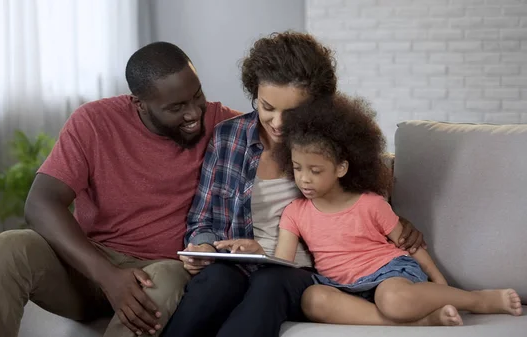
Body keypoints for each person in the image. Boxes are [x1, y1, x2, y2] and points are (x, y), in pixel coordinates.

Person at [0, 42, 241, 337]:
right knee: (5, 249)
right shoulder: (94, 122)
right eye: (176, 107)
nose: (193, 113)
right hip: (89, 266)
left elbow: (283, 127)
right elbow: (41, 202)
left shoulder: (224, 125)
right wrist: (108, 276)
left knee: (164, 279)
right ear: (139, 103)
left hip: (162, 268)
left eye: (197, 96)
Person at [161, 31, 426, 337]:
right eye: (267, 107)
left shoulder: (337, 146)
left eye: (293, 112)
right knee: (216, 280)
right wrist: (204, 246)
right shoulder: (228, 138)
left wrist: (400, 224)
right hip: (239, 265)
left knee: (270, 282)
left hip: (304, 275)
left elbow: (364, 217)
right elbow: (201, 219)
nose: (277, 122)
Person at [273, 94, 524, 327]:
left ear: (341, 168)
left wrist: (439, 283)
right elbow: (282, 263)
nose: (304, 179)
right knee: (312, 299)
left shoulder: (370, 204)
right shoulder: (295, 212)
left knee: (392, 300)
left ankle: (478, 300)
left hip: (388, 275)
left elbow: (410, 245)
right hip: (340, 287)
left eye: (315, 171)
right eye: (297, 168)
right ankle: (421, 322)